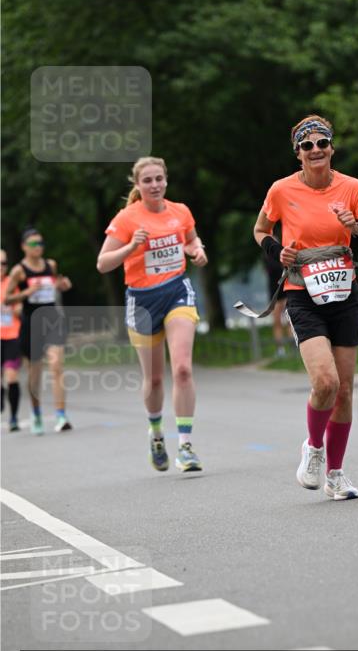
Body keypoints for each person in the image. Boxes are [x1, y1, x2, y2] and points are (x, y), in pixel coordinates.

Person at [252, 114, 358, 500]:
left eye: (322, 143)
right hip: (302, 293)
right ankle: (313, 448)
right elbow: (261, 229)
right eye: (307, 146)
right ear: (298, 154)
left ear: (331, 147)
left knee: (344, 391)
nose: (316, 151)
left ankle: (337, 475)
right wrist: (278, 251)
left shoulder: (352, 188)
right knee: (325, 382)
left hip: (345, 294)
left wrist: (357, 230)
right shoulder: (281, 190)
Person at [97, 156, 207, 473]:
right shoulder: (127, 218)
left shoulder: (180, 211)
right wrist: (131, 246)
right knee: (155, 378)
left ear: (166, 180)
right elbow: (103, 264)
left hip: (177, 292)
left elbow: (192, 239)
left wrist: (197, 251)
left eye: (159, 178)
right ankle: (156, 432)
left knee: (183, 369)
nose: (155, 185)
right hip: (142, 300)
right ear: (138, 185)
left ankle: (185, 446)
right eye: (148, 180)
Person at [5, 230, 73, 434]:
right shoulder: (19, 270)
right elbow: (7, 299)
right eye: (34, 244)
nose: (39, 247)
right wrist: (26, 293)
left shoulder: (50, 265)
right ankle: (36, 414)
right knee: (35, 374)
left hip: (52, 320)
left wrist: (62, 286)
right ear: (24, 246)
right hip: (31, 323)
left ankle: (61, 416)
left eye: (41, 243)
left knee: (56, 366)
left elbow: (55, 285)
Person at [1, 248, 23, 431]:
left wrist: (18, 309)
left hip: (12, 335)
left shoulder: (12, 282)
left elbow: (21, 302)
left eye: (4, 263)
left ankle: (14, 417)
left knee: (11, 376)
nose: (1, 267)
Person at [263, 224, 288, 357]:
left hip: (287, 289)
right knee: (277, 321)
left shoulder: (283, 256)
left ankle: (293, 346)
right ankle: (281, 349)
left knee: (290, 320)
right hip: (275, 292)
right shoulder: (268, 259)